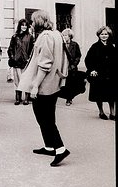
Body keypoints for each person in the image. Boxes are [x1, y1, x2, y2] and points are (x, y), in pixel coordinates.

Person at [17, 10, 70, 167]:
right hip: (53, 83)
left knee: (44, 118)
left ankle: (60, 149)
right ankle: (49, 146)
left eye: (33, 21)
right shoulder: (56, 34)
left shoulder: (45, 37)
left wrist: (35, 85)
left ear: (39, 22)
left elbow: (45, 63)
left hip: (44, 84)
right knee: (47, 117)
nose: (31, 24)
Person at [85, 26, 116, 120]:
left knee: (112, 95)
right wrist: (92, 70)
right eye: (102, 34)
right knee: (99, 94)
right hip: (99, 74)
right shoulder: (94, 47)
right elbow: (88, 60)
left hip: (111, 74)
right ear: (98, 35)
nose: (104, 36)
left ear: (109, 35)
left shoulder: (112, 46)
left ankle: (112, 113)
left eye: (106, 34)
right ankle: (101, 112)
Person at [7, 18, 34, 105]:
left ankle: (26, 98)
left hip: (26, 62)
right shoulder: (15, 36)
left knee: (26, 80)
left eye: (26, 25)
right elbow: (10, 48)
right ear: (19, 26)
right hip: (16, 61)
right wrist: (12, 57)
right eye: (22, 25)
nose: (24, 27)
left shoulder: (30, 37)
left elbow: (32, 49)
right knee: (17, 81)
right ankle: (18, 98)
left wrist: (29, 59)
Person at [61, 28, 82, 106]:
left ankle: (69, 99)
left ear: (70, 36)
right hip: (63, 66)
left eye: (65, 35)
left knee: (70, 83)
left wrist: (74, 64)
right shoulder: (61, 44)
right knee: (64, 84)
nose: (64, 37)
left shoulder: (75, 44)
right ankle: (65, 96)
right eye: (63, 35)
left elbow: (78, 55)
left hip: (72, 67)